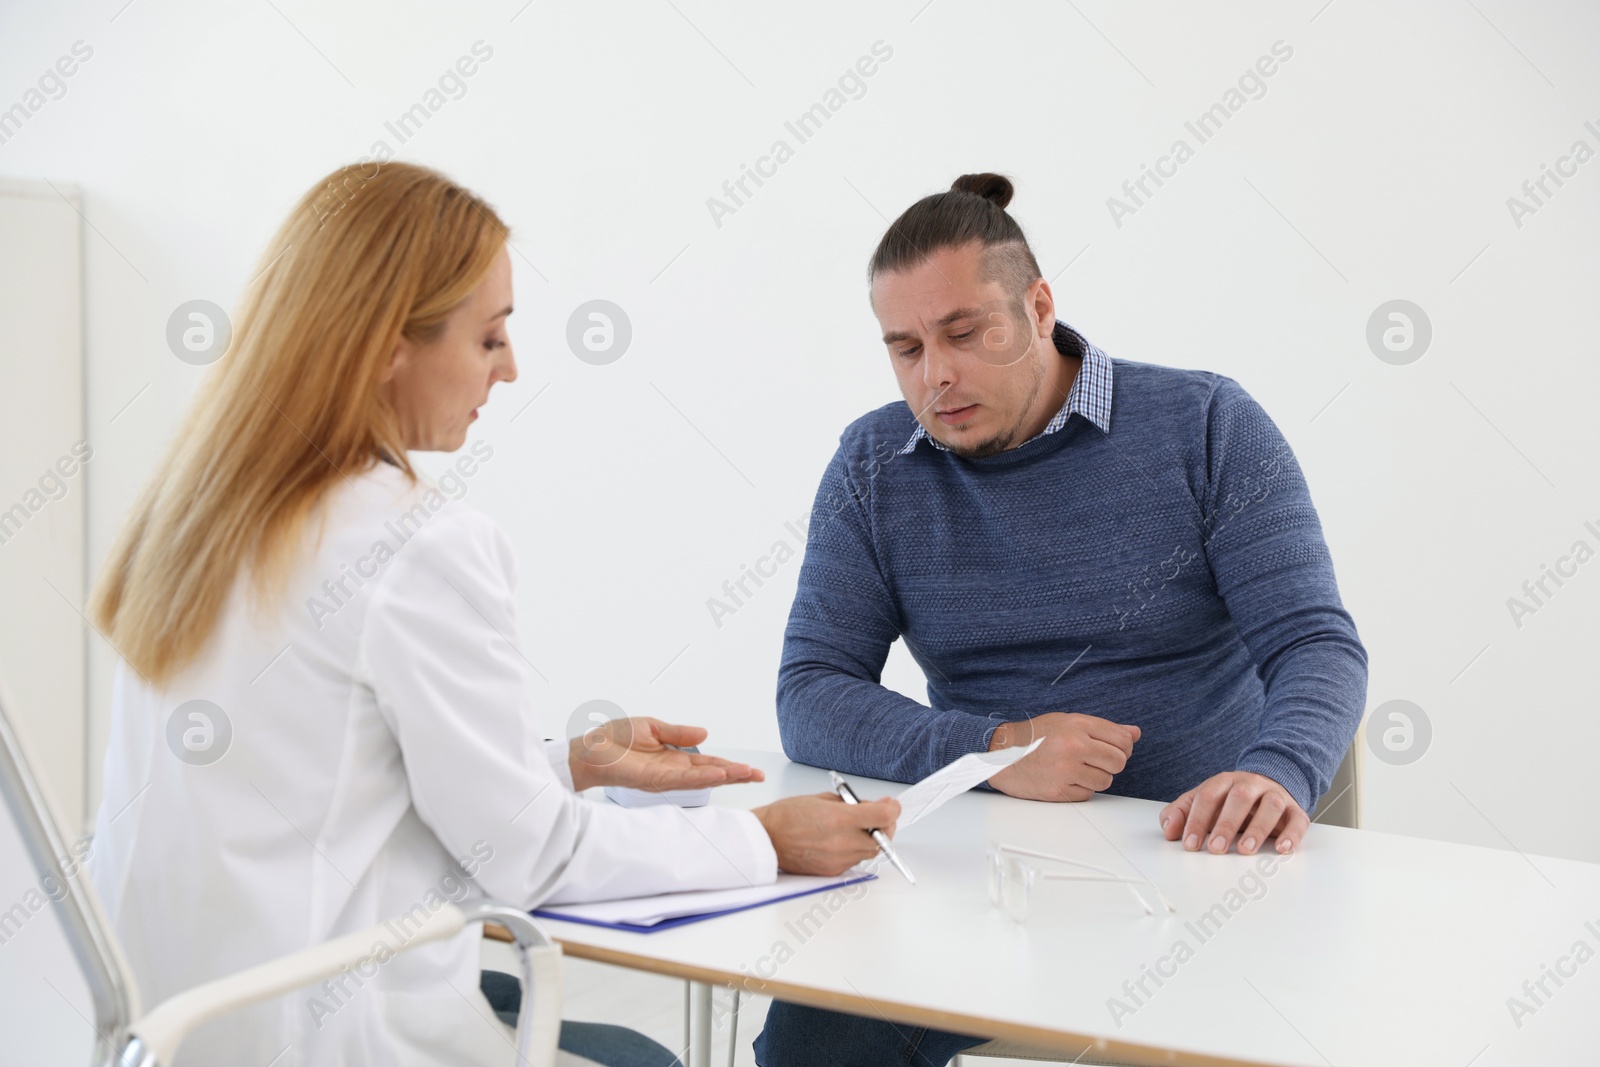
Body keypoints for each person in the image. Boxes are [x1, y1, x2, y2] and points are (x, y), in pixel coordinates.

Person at [87, 161, 899, 1067]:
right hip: (332, 1033)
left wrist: (570, 766)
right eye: (489, 337)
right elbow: (532, 862)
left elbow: (339, 788)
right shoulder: (413, 542)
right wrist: (758, 839)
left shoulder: (195, 520)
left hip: (182, 1034)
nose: (511, 369)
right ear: (388, 344)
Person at [754, 173, 1367, 1065]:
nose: (938, 375)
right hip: (985, 874)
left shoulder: (1205, 424)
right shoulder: (875, 464)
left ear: (1040, 306)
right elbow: (810, 690)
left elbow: (1314, 641)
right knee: (818, 1033)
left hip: (1196, 870)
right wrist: (997, 750)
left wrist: (1275, 770)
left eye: (965, 333)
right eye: (906, 348)